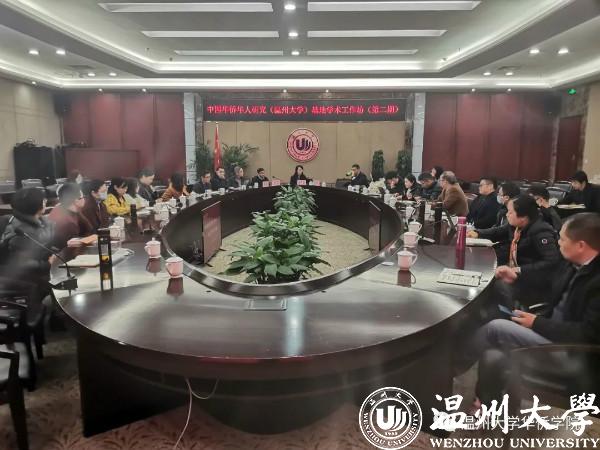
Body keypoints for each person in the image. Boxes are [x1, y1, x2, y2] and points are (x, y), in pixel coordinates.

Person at [456, 213, 600, 405]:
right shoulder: (574, 264)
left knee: (495, 328)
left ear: (581, 245)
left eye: (563, 239)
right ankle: (486, 401)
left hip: (570, 351)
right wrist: (517, 276)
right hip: (551, 331)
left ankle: (451, 368)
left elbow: (587, 334)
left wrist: (537, 323)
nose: (558, 243)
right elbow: (551, 287)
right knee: (494, 321)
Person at [0, 188, 54, 300]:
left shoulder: (36, 221)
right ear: (35, 205)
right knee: (57, 284)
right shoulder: (22, 231)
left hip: (31, 270)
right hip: (19, 275)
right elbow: (22, 263)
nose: (45, 201)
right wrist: (47, 264)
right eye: (43, 199)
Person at [47, 183, 93, 250]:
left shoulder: (65, 208)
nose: (84, 199)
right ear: (76, 200)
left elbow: (89, 228)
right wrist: (93, 238)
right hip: (66, 253)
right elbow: (73, 247)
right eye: (83, 197)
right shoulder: (68, 222)